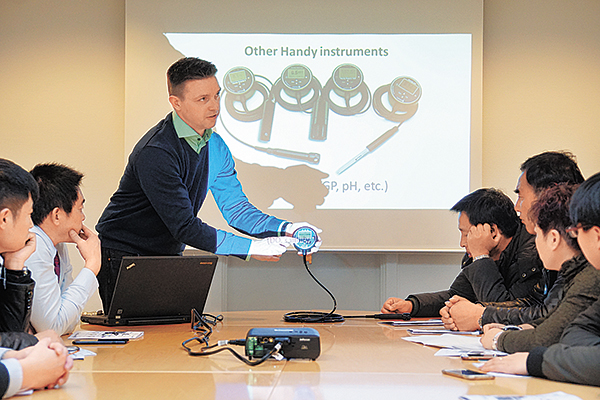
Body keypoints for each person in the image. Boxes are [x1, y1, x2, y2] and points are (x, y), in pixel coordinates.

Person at [96, 57, 319, 311]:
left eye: (216, 95)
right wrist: (251, 248)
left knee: (175, 328)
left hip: (166, 252)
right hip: (124, 253)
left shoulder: (215, 145)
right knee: (138, 333)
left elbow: (237, 210)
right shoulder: (156, 152)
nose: (214, 106)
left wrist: (286, 229)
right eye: (203, 99)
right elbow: (185, 227)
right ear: (176, 103)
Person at [441, 151, 585, 331]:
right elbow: (535, 303)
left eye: (521, 197)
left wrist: (482, 317)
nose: (517, 207)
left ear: (549, 195)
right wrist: (475, 311)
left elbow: (549, 319)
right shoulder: (562, 251)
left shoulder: (570, 255)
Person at [481, 172, 600, 386]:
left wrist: (507, 344)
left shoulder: (590, 276)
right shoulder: (574, 272)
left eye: (578, 230)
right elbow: (573, 332)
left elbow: (550, 338)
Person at [381, 188, 544, 317]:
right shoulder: (481, 254)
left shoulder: (533, 255)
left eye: (467, 234)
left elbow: (501, 310)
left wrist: (481, 256)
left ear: (492, 231)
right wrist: (412, 305)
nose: (462, 243)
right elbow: (456, 295)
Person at [0, 159, 72, 398]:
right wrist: (27, 369)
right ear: (4, 219)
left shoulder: (6, 258)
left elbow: (8, 332)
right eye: (29, 215)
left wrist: (14, 268)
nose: (31, 225)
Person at [25, 163, 101, 335]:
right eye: (80, 209)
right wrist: (91, 266)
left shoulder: (57, 244)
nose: (83, 217)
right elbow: (53, 327)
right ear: (57, 215)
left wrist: (61, 321)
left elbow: (68, 321)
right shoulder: (33, 246)